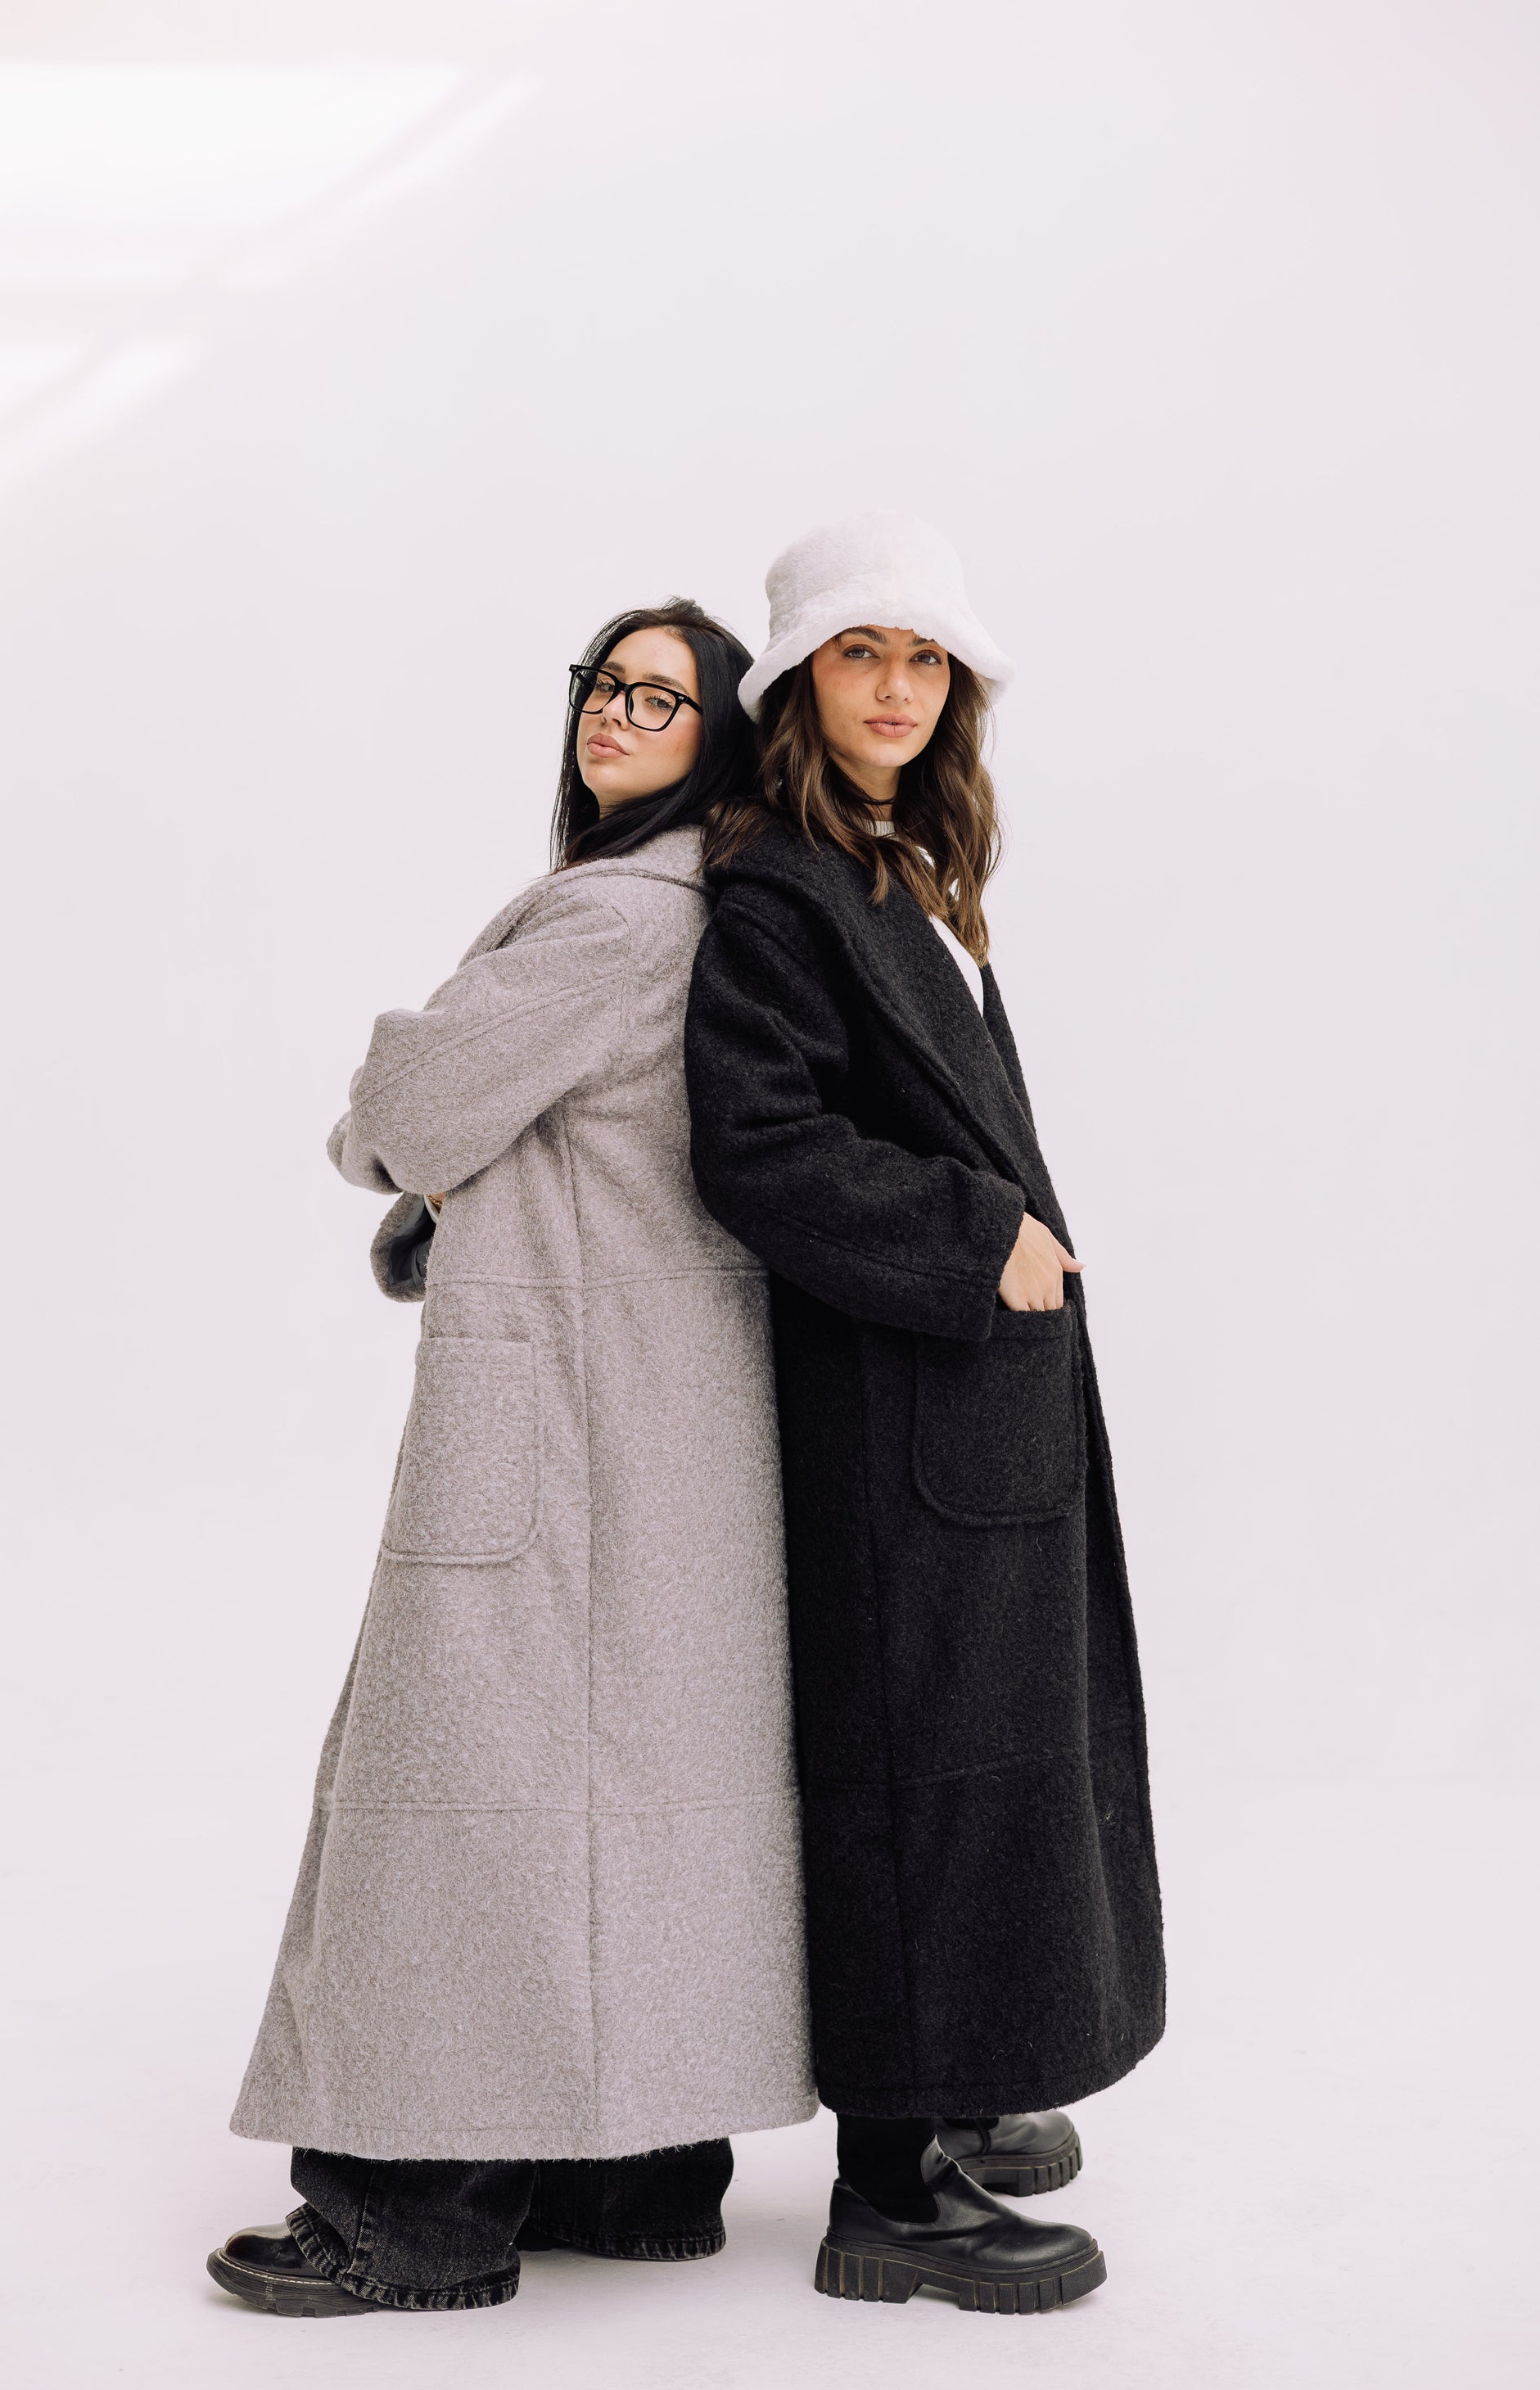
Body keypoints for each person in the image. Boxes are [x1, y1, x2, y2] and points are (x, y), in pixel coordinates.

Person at [210, 601, 815, 2319]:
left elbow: (408, 1110)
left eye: (660, 698)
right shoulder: (718, 904)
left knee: (457, 1800)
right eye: (603, 686)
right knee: (633, 1789)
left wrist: (400, 1120)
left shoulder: (614, 913)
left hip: (552, 1421)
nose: (614, 715)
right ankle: (636, 2169)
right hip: (665, 1422)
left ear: (719, 734)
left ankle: (413, 2214)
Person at [684, 514, 1166, 2317]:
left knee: (996, 1762)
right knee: (917, 1776)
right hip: (897, 1405)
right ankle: (891, 2189)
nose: (895, 687)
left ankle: (961, 2084)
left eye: (922, 658)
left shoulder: (903, 859)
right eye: (857, 653)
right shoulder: (777, 882)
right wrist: (980, 1241)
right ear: (797, 678)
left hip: (974, 1404)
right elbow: (758, 1147)